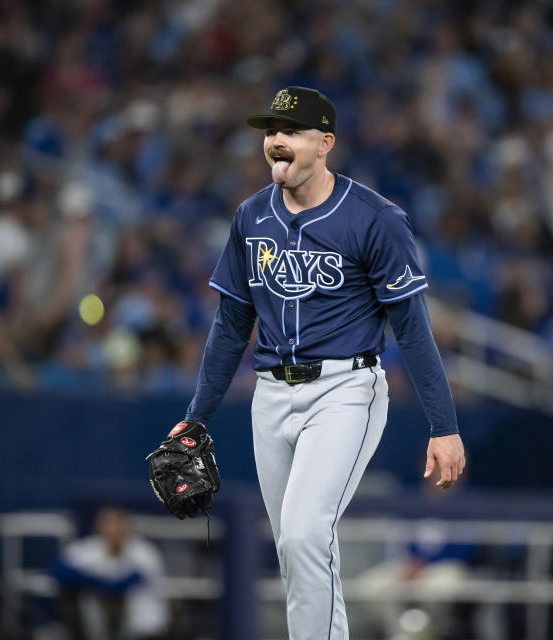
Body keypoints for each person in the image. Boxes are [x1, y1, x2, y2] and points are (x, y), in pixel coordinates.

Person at [178, 86, 466, 639]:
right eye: (270, 133)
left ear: (325, 143)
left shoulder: (375, 218)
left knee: (308, 532)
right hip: (269, 395)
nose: (276, 142)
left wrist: (444, 425)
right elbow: (231, 325)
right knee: (292, 542)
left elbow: (412, 327)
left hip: (344, 391)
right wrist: (197, 417)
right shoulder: (250, 216)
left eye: (290, 132)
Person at [51, 507, 168, 640]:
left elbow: (124, 583)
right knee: (70, 594)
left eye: (118, 524)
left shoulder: (144, 551)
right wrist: (95, 581)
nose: (114, 530)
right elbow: (59, 572)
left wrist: (95, 581)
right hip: (101, 629)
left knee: (112, 600)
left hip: (144, 630)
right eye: (108, 524)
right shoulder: (90, 548)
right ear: (99, 527)